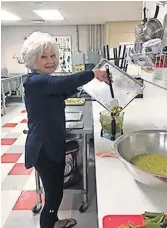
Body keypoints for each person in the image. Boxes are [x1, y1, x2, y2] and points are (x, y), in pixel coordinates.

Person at [21, 31, 112, 228]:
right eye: (43, 57)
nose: (50, 61)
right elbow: (62, 83)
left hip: (52, 143)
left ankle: (54, 221)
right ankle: (48, 222)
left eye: (53, 55)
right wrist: (93, 73)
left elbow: (62, 90)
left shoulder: (44, 83)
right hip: (43, 147)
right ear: (31, 59)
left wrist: (88, 84)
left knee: (55, 192)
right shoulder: (34, 82)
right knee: (53, 197)